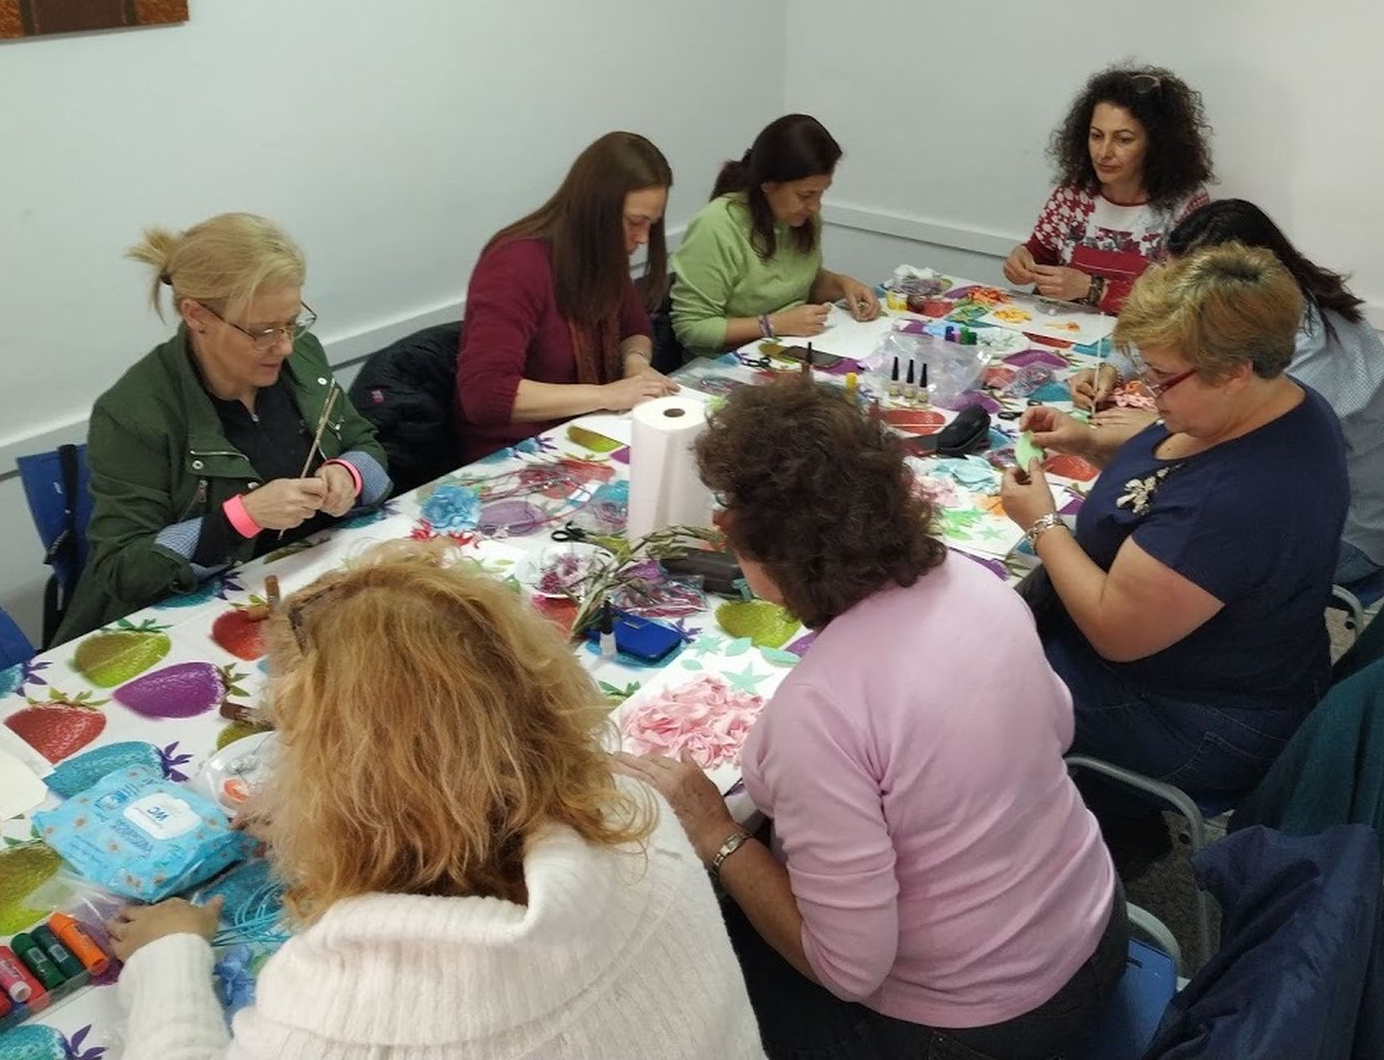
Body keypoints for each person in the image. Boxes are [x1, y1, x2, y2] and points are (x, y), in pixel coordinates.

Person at [620, 381, 1125, 1060]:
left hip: (978, 1024)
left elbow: (846, 967)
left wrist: (716, 833)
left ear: (746, 542)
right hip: (1097, 927)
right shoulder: (975, 582)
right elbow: (1055, 729)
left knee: (672, 985)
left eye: (729, 514)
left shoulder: (819, 714)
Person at [108, 541, 764, 1059]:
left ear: (337, 784)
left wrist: (170, 955)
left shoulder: (338, 1016)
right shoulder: (635, 812)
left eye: (298, 748)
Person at [999, 244, 1348, 865]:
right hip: (1229, 674)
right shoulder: (1276, 404)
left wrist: (1044, 522)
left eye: (1162, 378)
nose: (1148, 394)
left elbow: (1113, 629)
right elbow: (1165, 455)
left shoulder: (1235, 501)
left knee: (974, 684)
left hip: (1192, 720)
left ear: (1235, 370)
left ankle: (1032, 855)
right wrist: (1088, 438)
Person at [58, 213, 390, 642]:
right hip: (204, 630)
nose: (285, 345)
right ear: (197, 315)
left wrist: (350, 474)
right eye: (262, 331)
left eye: (292, 322)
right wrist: (240, 519)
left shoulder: (301, 359)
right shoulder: (133, 415)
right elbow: (124, 571)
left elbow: (367, 446)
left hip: (315, 595)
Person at [1072, 199, 1384, 586]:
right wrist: (1111, 367)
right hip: (1312, 504)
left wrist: (1155, 428)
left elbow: (1230, 451)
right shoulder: (1266, 309)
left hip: (1353, 534)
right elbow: (1167, 330)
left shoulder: (1305, 350)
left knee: (1142, 550)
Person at [456, 132, 680, 463]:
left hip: (590, 433)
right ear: (596, 209)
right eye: (635, 222)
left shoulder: (602, 253)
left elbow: (635, 328)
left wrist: (635, 364)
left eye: (652, 224)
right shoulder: (515, 264)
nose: (644, 238)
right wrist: (605, 395)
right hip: (516, 453)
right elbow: (485, 394)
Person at [1003, 65, 1212, 313]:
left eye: (1123, 139)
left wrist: (1092, 289)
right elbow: (1042, 253)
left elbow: (1180, 300)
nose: (1103, 153)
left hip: (1140, 343)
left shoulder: (1187, 205)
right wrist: (1022, 259)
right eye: (1096, 136)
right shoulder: (1073, 193)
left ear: (1157, 145)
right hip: (1063, 334)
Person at [669, 114, 879, 358]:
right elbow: (691, 327)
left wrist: (843, 285)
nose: (815, 206)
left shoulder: (801, 218)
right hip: (727, 361)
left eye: (821, 193)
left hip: (787, 350)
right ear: (768, 184)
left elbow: (800, 280)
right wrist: (774, 324)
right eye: (805, 195)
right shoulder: (716, 226)